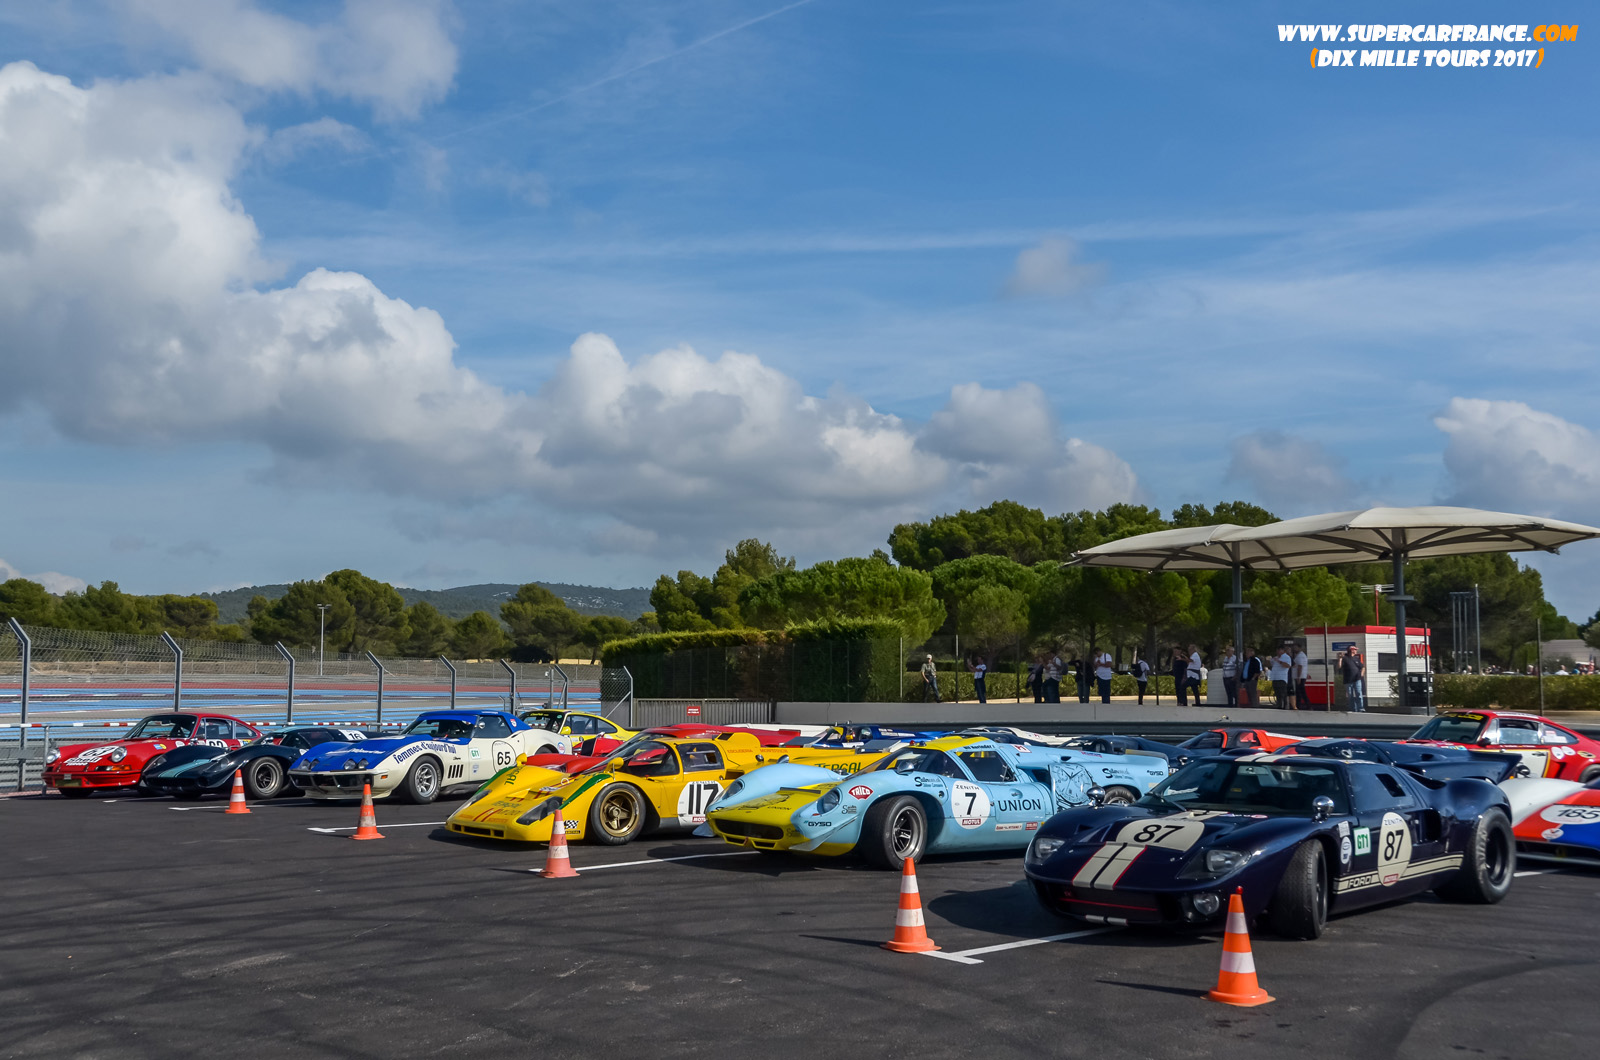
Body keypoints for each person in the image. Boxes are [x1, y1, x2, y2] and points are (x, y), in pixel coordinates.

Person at [1339, 644, 1366, 712]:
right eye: (1355, 650)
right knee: (1350, 695)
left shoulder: (1356, 658)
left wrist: (1361, 674)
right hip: (1348, 680)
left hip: (1357, 679)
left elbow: (1362, 667)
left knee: (1359, 693)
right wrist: (1340, 659)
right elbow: (1339, 666)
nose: (1356, 651)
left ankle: (1360, 707)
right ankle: (1352, 708)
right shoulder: (1345, 658)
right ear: (1351, 650)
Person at [1270, 643, 1293, 709]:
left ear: (1283, 650)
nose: (1278, 651)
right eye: (1277, 650)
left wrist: (1279, 661)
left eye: (1279, 650)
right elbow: (1271, 665)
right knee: (1277, 693)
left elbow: (1288, 666)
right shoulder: (1275, 657)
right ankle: (1279, 705)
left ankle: (1284, 705)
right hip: (1275, 678)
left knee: (1282, 693)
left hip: (1282, 678)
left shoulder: (1286, 657)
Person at [1292, 642, 1311, 710]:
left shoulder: (1300, 656)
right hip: (1300, 676)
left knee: (1301, 691)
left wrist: (1298, 677)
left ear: (1299, 648)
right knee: (1299, 692)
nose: (1294, 649)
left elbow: (1300, 667)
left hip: (1300, 677)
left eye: (1295, 647)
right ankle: (1299, 705)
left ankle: (1308, 705)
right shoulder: (1299, 655)